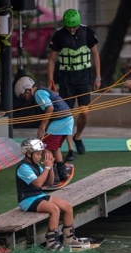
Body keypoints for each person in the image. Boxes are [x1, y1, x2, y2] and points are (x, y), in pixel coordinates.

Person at [47, 8, 101, 161]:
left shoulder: (87, 32)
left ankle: (78, 137)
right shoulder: (58, 36)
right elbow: (51, 60)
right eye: (69, 27)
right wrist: (51, 81)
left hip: (83, 78)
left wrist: (98, 77)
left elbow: (95, 54)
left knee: (84, 112)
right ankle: (71, 149)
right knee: (67, 115)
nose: (71, 29)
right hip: (66, 80)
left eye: (74, 26)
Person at [16, 138, 89, 251]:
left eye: (41, 154)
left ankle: (68, 238)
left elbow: (50, 182)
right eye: (38, 154)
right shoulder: (23, 167)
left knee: (67, 207)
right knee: (54, 209)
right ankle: (51, 242)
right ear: (29, 153)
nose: (40, 156)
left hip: (38, 196)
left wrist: (50, 167)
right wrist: (46, 167)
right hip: (27, 200)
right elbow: (38, 183)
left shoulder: (35, 165)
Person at [14, 76, 74, 182]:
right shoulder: (43, 90)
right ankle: (62, 173)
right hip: (68, 119)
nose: (25, 98)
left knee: (45, 146)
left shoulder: (38, 93)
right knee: (54, 148)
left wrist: (42, 126)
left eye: (24, 95)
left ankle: (52, 174)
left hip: (60, 120)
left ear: (27, 89)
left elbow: (49, 107)